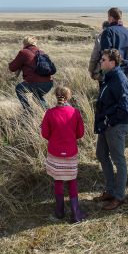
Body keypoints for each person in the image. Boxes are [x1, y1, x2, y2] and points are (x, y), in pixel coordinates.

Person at [93, 49, 128, 210]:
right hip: (105, 124)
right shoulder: (109, 77)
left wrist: (111, 122)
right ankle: (110, 190)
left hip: (115, 126)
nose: (100, 62)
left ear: (112, 62)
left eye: (103, 59)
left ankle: (119, 196)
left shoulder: (119, 79)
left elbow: (126, 108)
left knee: (118, 159)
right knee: (101, 154)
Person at [41, 86, 85, 222]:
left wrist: (55, 139)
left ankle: (59, 212)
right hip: (70, 152)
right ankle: (76, 214)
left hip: (55, 153)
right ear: (68, 97)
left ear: (55, 96)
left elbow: (45, 134)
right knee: (72, 182)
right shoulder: (75, 112)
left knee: (58, 181)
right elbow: (80, 133)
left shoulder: (49, 113)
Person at [10, 36, 54, 112]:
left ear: (24, 43)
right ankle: (49, 113)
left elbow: (12, 68)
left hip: (36, 83)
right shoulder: (41, 52)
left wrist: (11, 62)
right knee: (36, 96)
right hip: (49, 83)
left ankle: (28, 112)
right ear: (35, 43)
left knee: (19, 88)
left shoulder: (23, 52)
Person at [88, 8, 128, 80]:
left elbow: (106, 52)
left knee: (109, 90)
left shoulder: (108, 32)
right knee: (122, 88)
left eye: (108, 16)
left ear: (111, 18)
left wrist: (93, 69)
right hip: (125, 66)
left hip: (111, 68)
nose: (108, 19)